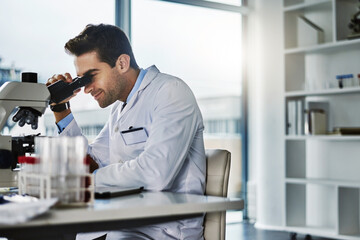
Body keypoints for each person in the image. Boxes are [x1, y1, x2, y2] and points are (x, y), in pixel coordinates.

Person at [46, 24, 206, 240]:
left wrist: (88, 181)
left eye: (90, 76)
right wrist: (61, 110)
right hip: (122, 223)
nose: (86, 88)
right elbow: (91, 164)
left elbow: (155, 175)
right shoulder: (120, 108)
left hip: (163, 231)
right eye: (80, 80)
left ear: (122, 63)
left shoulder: (170, 92)